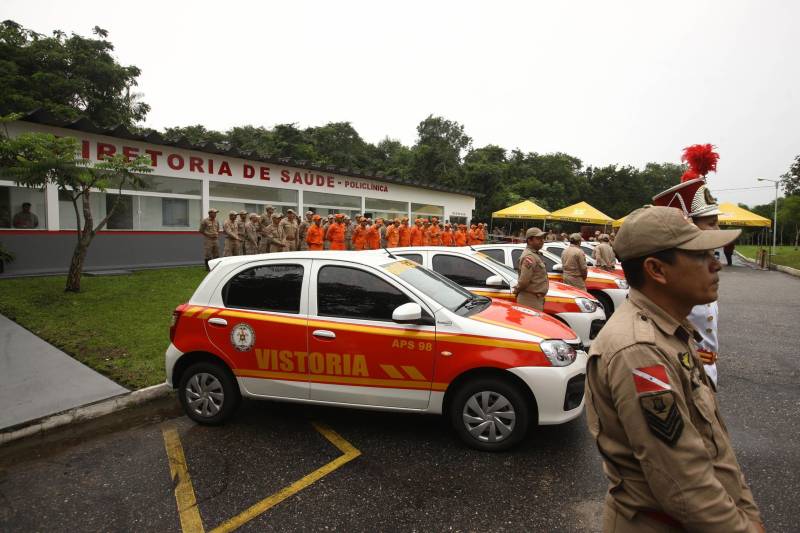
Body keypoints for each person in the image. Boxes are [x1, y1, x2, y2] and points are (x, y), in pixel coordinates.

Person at [585, 205, 762, 532]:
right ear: (657, 270)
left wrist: (748, 513)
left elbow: (715, 449)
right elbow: (684, 482)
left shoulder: (668, 330)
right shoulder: (640, 351)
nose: (716, 264)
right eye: (700, 255)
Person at [652, 143, 729, 387]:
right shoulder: (673, 274)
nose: (717, 230)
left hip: (705, 370)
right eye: (711, 223)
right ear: (688, 226)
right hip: (685, 373)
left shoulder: (702, 267)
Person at [513, 227, 549, 311]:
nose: (542, 241)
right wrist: (516, 290)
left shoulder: (534, 255)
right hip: (530, 300)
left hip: (534, 299)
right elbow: (524, 281)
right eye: (538, 238)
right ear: (529, 240)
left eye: (542, 238)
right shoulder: (529, 257)